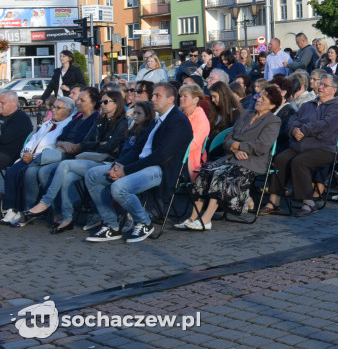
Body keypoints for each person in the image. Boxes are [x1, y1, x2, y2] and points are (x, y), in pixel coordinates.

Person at [84, 82, 193, 243]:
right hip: (141, 165)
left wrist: (126, 170)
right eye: (153, 95)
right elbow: (137, 148)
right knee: (93, 175)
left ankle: (144, 222)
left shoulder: (178, 121)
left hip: (160, 170)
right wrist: (118, 165)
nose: (153, 98)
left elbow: (161, 155)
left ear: (171, 99)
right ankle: (111, 225)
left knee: (118, 187)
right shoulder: (158, 120)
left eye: (158, 96)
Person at [176, 85, 283, 230]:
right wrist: (234, 147)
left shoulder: (273, 121)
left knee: (219, 175)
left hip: (251, 161)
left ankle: (206, 219)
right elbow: (228, 137)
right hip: (231, 157)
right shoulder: (246, 114)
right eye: (259, 96)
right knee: (204, 173)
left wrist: (237, 146)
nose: (258, 100)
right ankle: (192, 218)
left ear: (272, 105)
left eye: (263, 99)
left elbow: (261, 146)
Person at [22, 90, 131, 232]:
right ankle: (67, 218)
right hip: (90, 157)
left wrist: (99, 144)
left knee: (64, 164)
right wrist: (99, 144)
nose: (102, 105)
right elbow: (86, 142)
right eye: (101, 102)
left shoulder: (121, 122)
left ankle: (46, 202)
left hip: (105, 162)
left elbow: (110, 147)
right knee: (66, 177)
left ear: (116, 104)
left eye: (106, 102)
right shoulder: (100, 121)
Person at [261, 74, 338, 217]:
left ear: (334, 90)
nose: (320, 87)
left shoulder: (336, 108)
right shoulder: (308, 105)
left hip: (324, 147)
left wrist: (303, 131)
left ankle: (309, 203)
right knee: (280, 159)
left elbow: (324, 126)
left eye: (325, 85)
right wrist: (294, 130)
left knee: (299, 162)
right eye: (320, 84)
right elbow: (292, 120)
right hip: (300, 145)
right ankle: (274, 201)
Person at [0, 97, 73, 221]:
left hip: (43, 159)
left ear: (68, 111)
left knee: (26, 173)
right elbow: (33, 139)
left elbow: (53, 148)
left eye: (57, 108)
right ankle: (11, 208)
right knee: (12, 172)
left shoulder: (67, 126)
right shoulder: (48, 123)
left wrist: (32, 156)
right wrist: (26, 151)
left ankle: (25, 209)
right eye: (53, 107)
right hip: (29, 156)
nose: (53, 110)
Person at [177, 83, 212, 180]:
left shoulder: (201, 119)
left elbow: (192, 145)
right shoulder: (182, 115)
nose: (181, 98)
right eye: (181, 96)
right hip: (178, 154)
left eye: (185, 96)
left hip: (189, 159)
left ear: (195, 100)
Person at [0, 91, 33, 171]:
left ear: (14, 103)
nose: (0, 105)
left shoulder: (21, 118)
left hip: (11, 154)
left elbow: (4, 139)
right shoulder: (2, 115)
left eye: (2, 103)